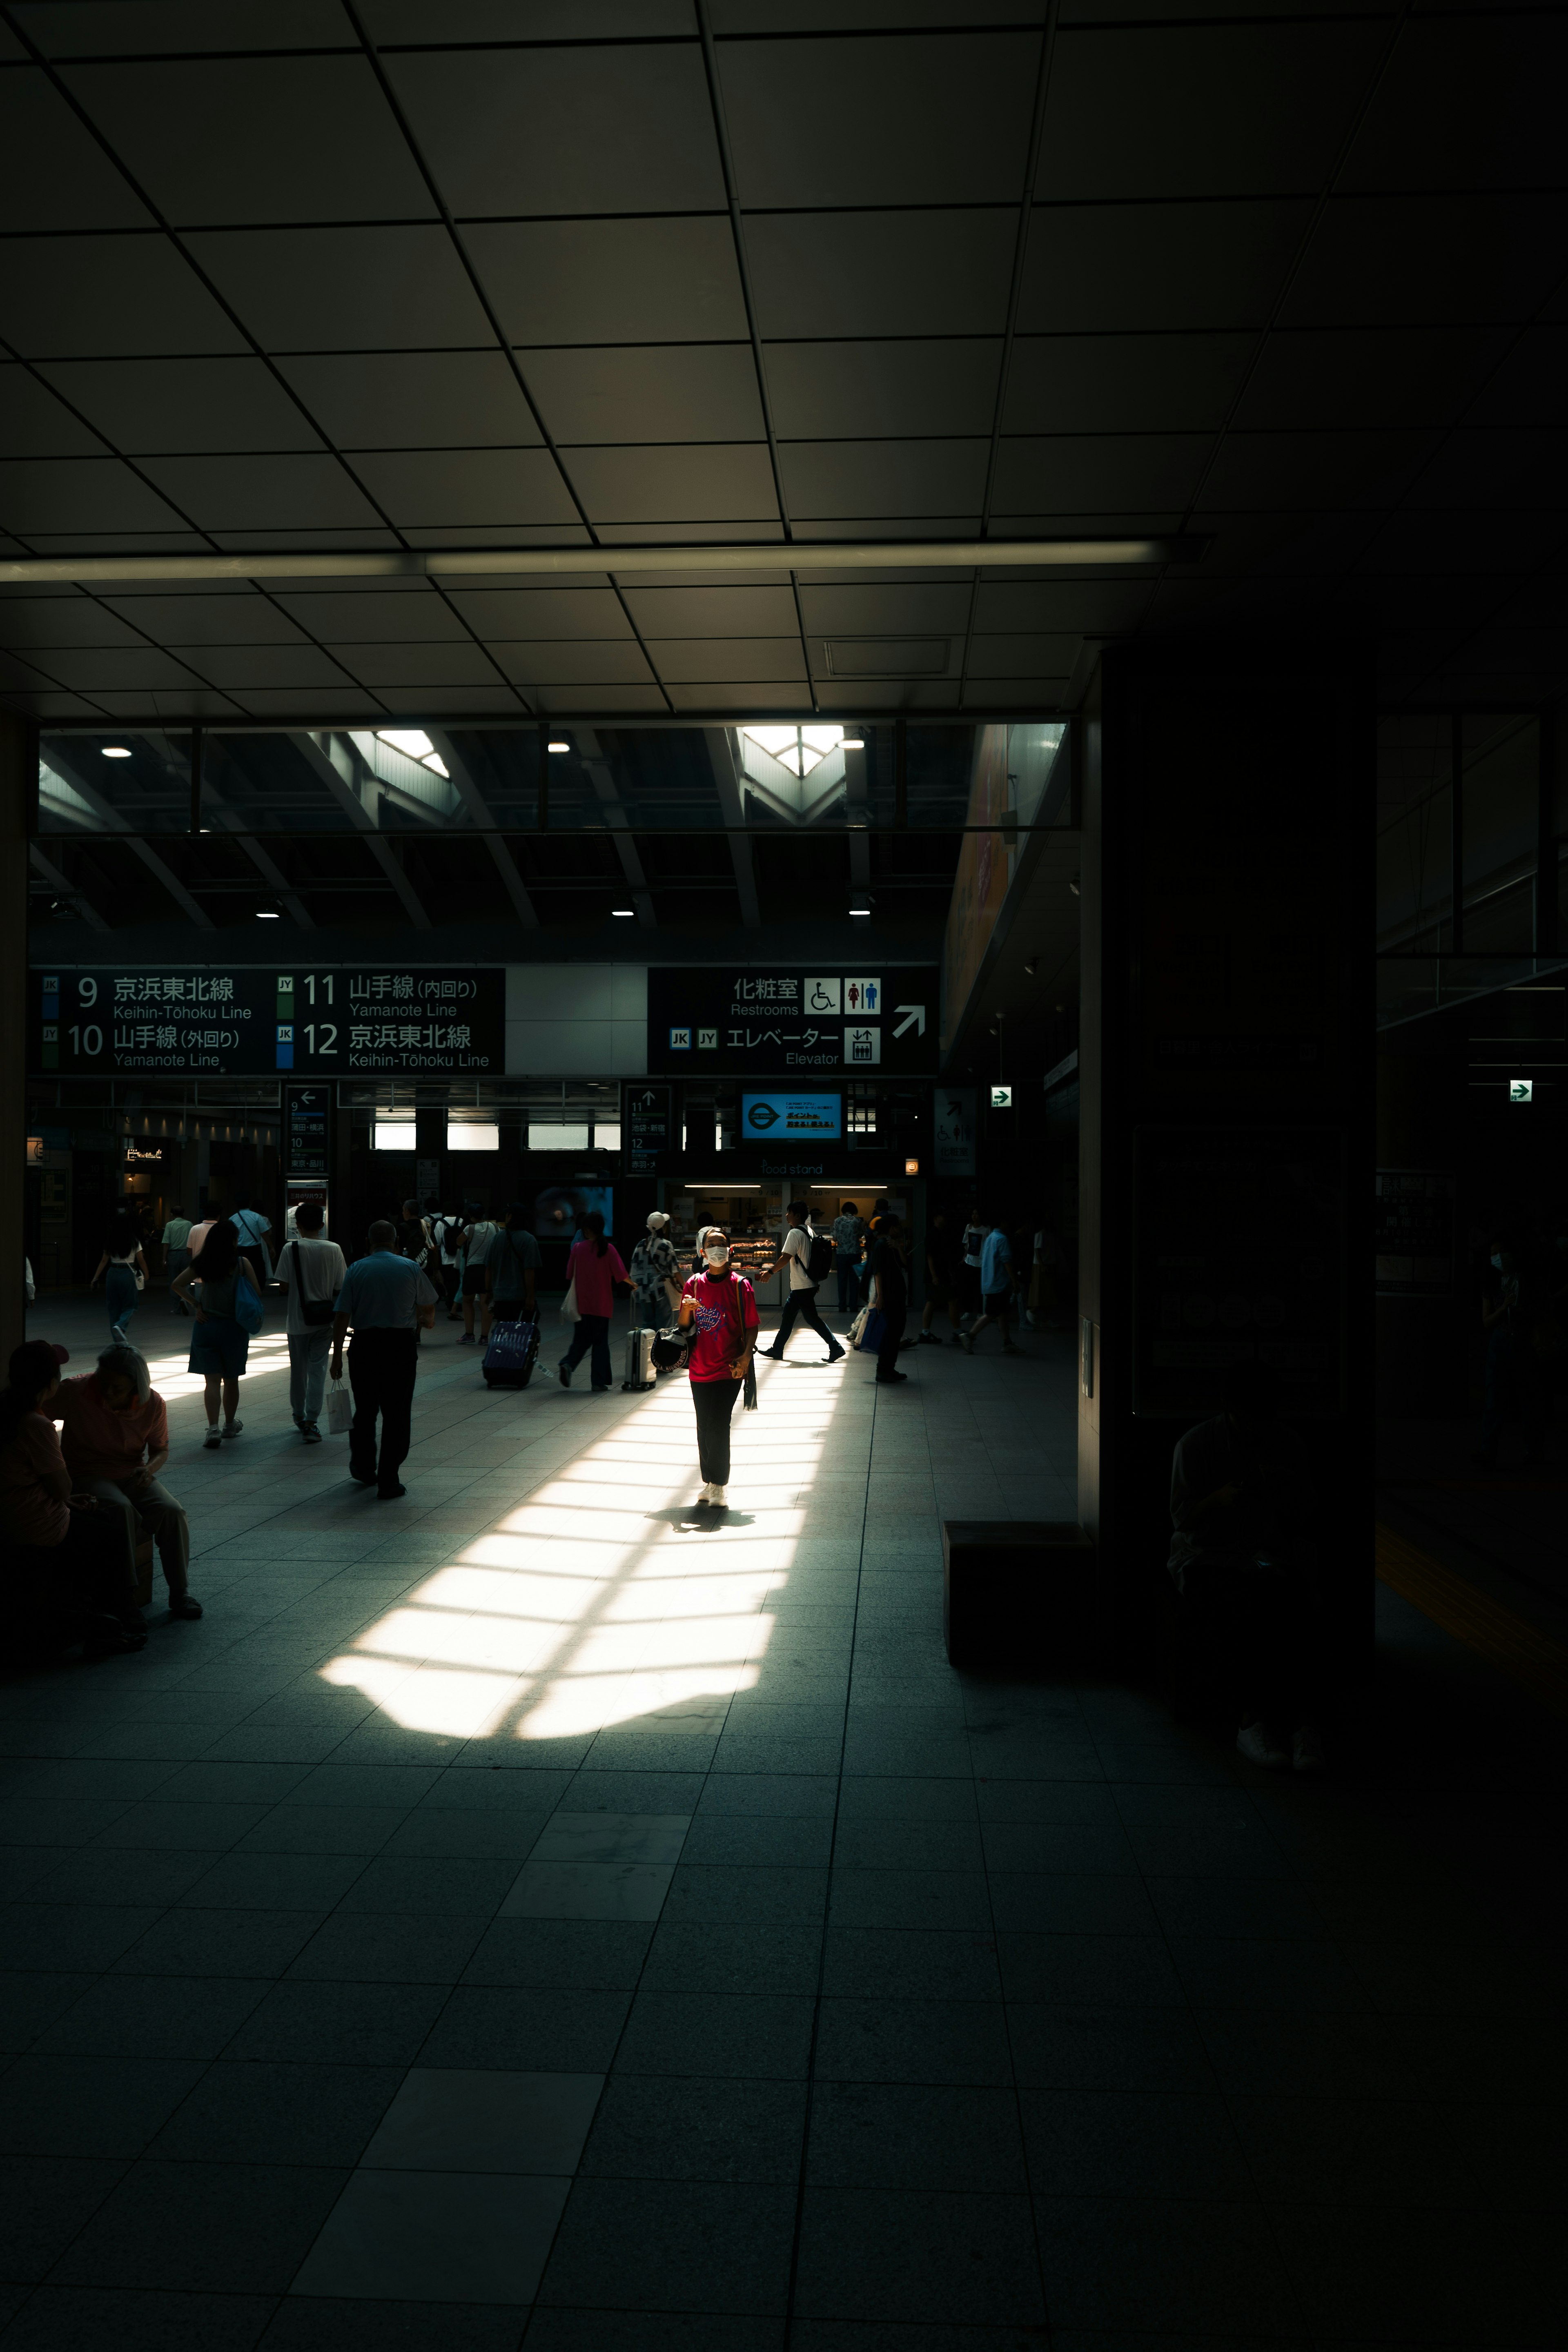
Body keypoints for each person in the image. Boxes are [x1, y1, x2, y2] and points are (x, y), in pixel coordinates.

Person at [1167, 1362, 1325, 1772]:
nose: (1258, 1428)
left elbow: (1306, 1511)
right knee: (1243, 1602)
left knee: (1287, 1601)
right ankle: (1257, 1718)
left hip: (1262, 1552)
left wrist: (1281, 1492)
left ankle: (1289, 1722)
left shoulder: (1286, 1442)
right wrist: (1217, 1501)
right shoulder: (1197, 1444)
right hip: (1208, 1552)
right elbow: (1183, 1521)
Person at [0, 1340, 145, 1656]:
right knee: (110, 1534)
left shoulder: (5, 1411)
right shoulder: (36, 1425)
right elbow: (61, 1489)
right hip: (34, 1525)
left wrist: (65, 1502)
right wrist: (65, 1498)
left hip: (10, 1513)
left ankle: (105, 1616)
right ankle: (119, 1618)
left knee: (95, 1521)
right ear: (51, 1384)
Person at [55, 1343, 200, 1619]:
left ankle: (180, 1592)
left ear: (137, 1386)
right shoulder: (76, 1391)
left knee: (172, 1512)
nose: (108, 1393)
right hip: (86, 1473)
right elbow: (38, 1416)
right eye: (104, 1384)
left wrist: (149, 1469)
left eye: (117, 1389)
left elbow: (161, 1449)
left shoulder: (153, 1404)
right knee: (120, 1509)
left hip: (132, 1473)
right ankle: (125, 1596)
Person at [330, 1220, 439, 1499]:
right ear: (395, 1241)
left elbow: (342, 1314)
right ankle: (389, 1480)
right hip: (400, 1347)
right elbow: (428, 1304)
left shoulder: (357, 1269)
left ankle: (365, 1468)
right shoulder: (410, 1267)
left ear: (368, 1241)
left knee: (365, 1411)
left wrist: (337, 1357)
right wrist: (424, 1319)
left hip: (365, 1346)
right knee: (397, 1414)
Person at [676, 1225, 758, 1509]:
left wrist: (746, 1357)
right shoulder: (694, 1284)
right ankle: (709, 1481)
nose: (717, 1249)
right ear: (703, 1252)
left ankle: (720, 1485)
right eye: (711, 1244)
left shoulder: (739, 1285)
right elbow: (684, 1328)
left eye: (722, 1244)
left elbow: (751, 1326)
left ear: (730, 1250)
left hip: (729, 1367)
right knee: (703, 1424)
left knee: (718, 1424)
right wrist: (686, 1309)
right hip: (699, 1367)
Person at [171, 1217, 263, 1449]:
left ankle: (212, 1429)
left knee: (211, 1382)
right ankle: (229, 1426)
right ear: (233, 1241)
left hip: (206, 1326)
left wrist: (197, 1304)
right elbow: (257, 1292)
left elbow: (177, 1284)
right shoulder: (242, 1264)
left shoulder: (203, 1263)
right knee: (231, 1381)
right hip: (234, 1328)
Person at [1473, 1236, 1549, 1468]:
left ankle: (1532, 1452)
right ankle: (1489, 1451)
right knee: (1495, 1400)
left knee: (1529, 1401)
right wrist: (1504, 1307)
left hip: (1523, 1341)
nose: (1499, 1258)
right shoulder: (1491, 1285)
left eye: (1502, 1252)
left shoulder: (1526, 1281)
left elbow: (1539, 1312)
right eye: (1494, 1254)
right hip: (1502, 1341)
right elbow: (1487, 1322)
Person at [276, 1202, 347, 1446]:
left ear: (298, 1225)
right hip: (324, 1321)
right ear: (323, 1225)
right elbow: (341, 1286)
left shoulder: (290, 1249)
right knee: (317, 1371)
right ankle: (311, 1423)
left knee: (299, 1371)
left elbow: (283, 1285)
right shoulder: (334, 1249)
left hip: (297, 1321)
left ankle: (298, 1415)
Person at [758, 1202, 846, 1364]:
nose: (786, 1216)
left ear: (797, 1215)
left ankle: (835, 1347)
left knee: (812, 1319)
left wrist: (770, 1273)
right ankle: (777, 1349)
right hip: (806, 1283)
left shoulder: (795, 1233)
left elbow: (786, 1257)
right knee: (788, 1317)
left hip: (802, 1285)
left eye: (789, 1213)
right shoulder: (809, 1231)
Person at [558, 1211, 630, 1393]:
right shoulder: (609, 1249)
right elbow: (621, 1275)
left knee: (581, 1339)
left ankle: (568, 1363)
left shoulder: (578, 1248)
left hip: (581, 1304)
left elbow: (569, 1274)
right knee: (600, 1342)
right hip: (602, 1304)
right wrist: (634, 1284)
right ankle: (598, 1381)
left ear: (587, 1230)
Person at [959, 1217, 1020, 1355]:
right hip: (999, 1283)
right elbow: (1007, 1261)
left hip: (990, 1282)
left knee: (1002, 1313)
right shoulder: (1002, 1239)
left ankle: (1007, 1342)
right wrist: (1014, 1281)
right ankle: (970, 1336)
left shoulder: (991, 1238)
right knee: (992, 1313)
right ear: (1003, 1222)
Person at [867, 1209, 911, 1385]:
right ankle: (883, 1370)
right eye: (898, 1226)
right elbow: (878, 1272)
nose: (900, 1229)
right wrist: (880, 1297)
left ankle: (889, 1368)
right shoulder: (880, 1245)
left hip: (897, 1294)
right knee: (891, 1334)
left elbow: (905, 1264)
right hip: (889, 1296)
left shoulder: (891, 1243)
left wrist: (899, 1247)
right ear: (892, 1228)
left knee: (896, 1332)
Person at [90, 1213, 149, 1345]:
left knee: (114, 1307)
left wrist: (96, 1278)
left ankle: (117, 1339)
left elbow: (104, 1260)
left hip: (112, 1273)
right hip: (128, 1274)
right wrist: (146, 1274)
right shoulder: (134, 1241)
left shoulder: (110, 1241)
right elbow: (141, 1260)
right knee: (130, 1305)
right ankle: (120, 1326)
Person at [483, 1200, 541, 1332]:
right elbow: (530, 1271)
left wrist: (488, 1292)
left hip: (500, 1295)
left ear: (510, 1217)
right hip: (519, 1296)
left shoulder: (496, 1239)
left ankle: (502, 1352)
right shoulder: (529, 1240)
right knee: (521, 1332)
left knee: (504, 1328)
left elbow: (489, 1268)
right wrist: (530, 1296)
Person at [629, 1209, 680, 1332]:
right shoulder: (666, 1244)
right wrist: (683, 1287)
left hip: (643, 1291)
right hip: (660, 1290)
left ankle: (648, 1349)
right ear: (663, 1228)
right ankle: (662, 1350)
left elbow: (634, 1269)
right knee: (665, 1326)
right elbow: (675, 1270)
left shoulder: (641, 1244)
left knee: (648, 1325)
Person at [458, 1205, 500, 1347]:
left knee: (467, 1301)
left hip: (473, 1268)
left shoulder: (470, 1229)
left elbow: (458, 1242)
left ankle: (469, 1334)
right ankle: (484, 1337)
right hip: (489, 1268)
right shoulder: (494, 1227)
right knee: (485, 1303)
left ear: (471, 1216)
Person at [919, 1211, 958, 1345]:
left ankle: (926, 1333)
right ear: (936, 1218)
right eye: (943, 1216)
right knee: (951, 1300)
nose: (945, 1219)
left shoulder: (939, 1233)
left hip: (938, 1274)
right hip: (936, 1275)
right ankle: (957, 1332)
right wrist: (935, 1276)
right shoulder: (933, 1234)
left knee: (933, 1301)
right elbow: (930, 1256)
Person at [831, 1199, 867, 1315]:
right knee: (854, 1281)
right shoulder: (858, 1221)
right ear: (854, 1210)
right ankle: (853, 1306)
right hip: (855, 1253)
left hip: (841, 1253)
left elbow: (835, 1238)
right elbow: (861, 1235)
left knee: (842, 1280)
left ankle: (842, 1306)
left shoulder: (837, 1221)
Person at [429, 1206, 465, 1319]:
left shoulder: (439, 1223)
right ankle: (458, 1304)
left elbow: (437, 1243)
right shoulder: (462, 1221)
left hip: (446, 1259)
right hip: (461, 1257)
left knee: (450, 1283)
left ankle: (452, 1304)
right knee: (460, 1282)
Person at [230, 1197, 274, 1281]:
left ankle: (241, 1289)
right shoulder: (257, 1217)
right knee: (258, 1272)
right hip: (254, 1249)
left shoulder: (233, 1218)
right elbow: (265, 1233)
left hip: (239, 1249)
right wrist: (271, 1247)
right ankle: (257, 1290)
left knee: (240, 1272)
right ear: (249, 1204)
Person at [162, 1203, 194, 1315]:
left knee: (174, 1281)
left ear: (172, 1215)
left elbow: (166, 1243)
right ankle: (185, 1299)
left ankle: (176, 1308)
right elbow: (192, 1241)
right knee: (188, 1280)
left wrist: (164, 1258)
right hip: (186, 1255)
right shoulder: (189, 1224)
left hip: (173, 1255)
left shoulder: (170, 1225)